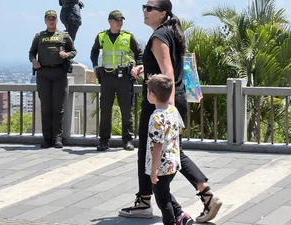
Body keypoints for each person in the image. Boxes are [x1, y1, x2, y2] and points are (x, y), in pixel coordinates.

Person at [118, 0, 222, 223]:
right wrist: (144, 68)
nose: (144, 11)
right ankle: (205, 195)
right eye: (143, 7)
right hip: (170, 101)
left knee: (152, 151)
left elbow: (168, 74)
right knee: (174, 151)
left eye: (149, 8)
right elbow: (164, 67)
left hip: (161, 104)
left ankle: (149, 202)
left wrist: (167, 112)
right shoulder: (168, 32)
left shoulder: (158, 36)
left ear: (162, 13)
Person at [90, 10, 143, 151]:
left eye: (121, 20)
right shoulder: (102, 36)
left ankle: (127, 140)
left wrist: (138, 66)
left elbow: (139, 53)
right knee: (105, 110)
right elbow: (94, 52)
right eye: (117, 20)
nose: (120, 22)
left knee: (126, 110)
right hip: (107, 78)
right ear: (110, 21)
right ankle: (104, 141)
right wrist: (95, 66)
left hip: (124, 78)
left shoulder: (128, 36)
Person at [145, 74, 193, 225]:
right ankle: (181, 215)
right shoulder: (173, 110)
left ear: (152, 95)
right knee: (163, 192)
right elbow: (179, 130)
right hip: (173, 161)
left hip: (161, 165)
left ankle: (171, 221)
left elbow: (157, 145)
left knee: (162, 199)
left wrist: (154, 170)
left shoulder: (156, 117)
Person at [29, 10, 77, 148]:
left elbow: (73, 51)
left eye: (53, 19)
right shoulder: (39, 36)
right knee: (46, 107)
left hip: (59, 73)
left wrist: (66, 54)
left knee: (58, 108)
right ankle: (47, 138)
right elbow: (31, 52)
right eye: (49, 19)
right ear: (45, 21)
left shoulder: (64, 36)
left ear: (57, 21)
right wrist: (33, 61)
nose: (51, 21)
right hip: (43, 73)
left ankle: (58, 138)